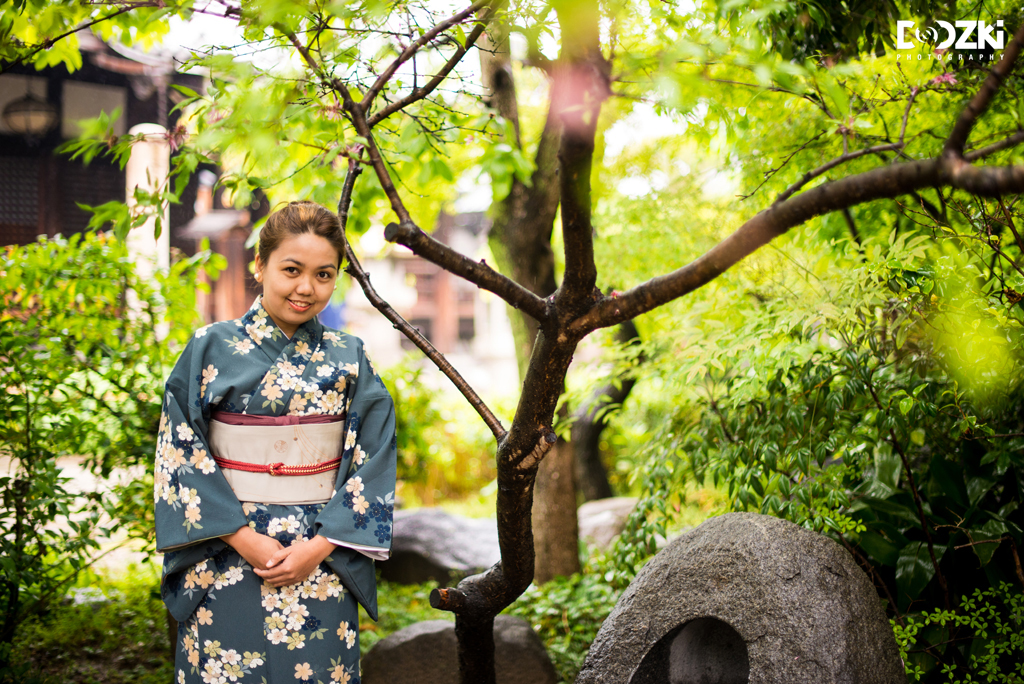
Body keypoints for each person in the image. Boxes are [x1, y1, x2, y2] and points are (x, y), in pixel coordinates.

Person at [155, 201, 396, 684]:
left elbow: (375, 457)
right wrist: (243, 539)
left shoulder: (350, 357)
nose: (306, 288)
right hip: (224, 553)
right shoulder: (209, 347)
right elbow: (180, 451)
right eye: (291, 270)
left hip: (321, 557)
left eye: (324, 274)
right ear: (260, 264)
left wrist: (318, 546)